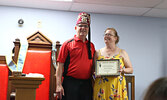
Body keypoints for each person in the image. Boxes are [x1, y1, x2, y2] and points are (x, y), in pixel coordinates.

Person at [56, 12, 95, 100]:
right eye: (80, 25)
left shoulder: (91, 46)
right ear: (75, 28)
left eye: (86, 26)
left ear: (88, 29)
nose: (83, 28)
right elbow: (60, 65)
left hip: (86, 84)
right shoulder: (67, 44)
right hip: (70, 83)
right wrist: (58, 85)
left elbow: (92, 65)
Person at [93, 28, 133, 100]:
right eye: (105, 34)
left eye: (109, 34)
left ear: (115, 38)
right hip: (101, 86)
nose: (106, 36)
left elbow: (130, 69)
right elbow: (93, 70)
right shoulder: (97, 52)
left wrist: (122, 70)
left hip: (117, 86)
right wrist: (95, 73)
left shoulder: (122, 52)